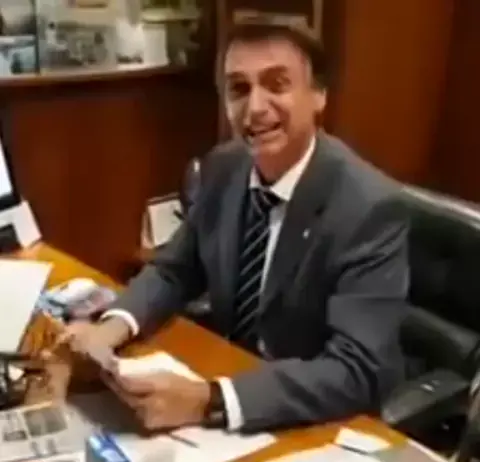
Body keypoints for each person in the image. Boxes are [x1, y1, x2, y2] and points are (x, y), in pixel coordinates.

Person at [53, 21, 409, 433]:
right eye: (239, 88)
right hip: (231, 389)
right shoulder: (224, 167)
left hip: (318, 420)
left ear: (319, 96)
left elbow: (357, 369)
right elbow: (174, 269)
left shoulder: (369, 207)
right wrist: (109, 330)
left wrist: (212, 400)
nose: (255, 107)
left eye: (276, 84)